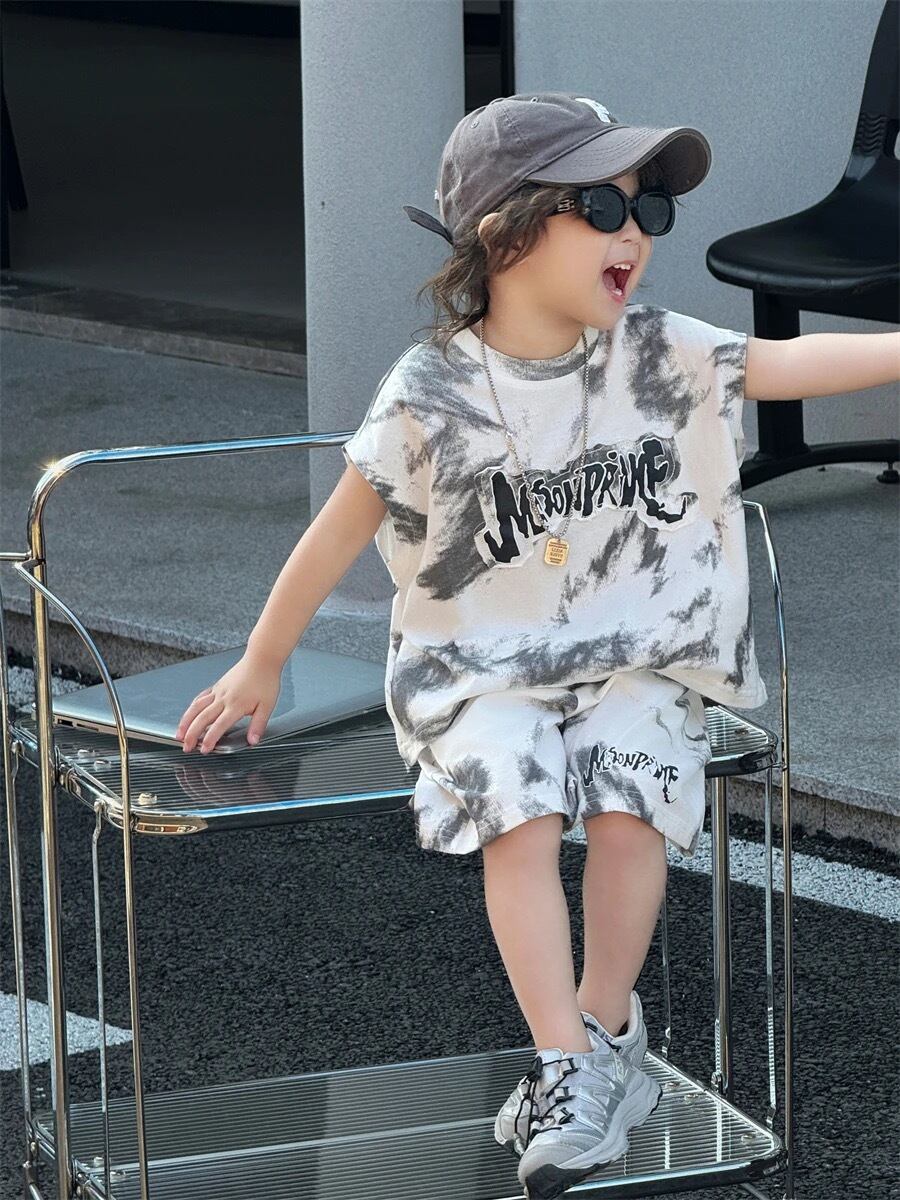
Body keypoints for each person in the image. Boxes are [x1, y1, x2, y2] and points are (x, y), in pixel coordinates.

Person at [176, 94, 900, 1200]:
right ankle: (571, 1061)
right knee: (518, 811)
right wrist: (262, 659)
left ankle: (597, 1045)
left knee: (629, 797)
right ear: (504, 233)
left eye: (650, 208)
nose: (636, 232)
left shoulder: (657, 349)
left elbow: (780, 364)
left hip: (631, 655)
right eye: (603, 207)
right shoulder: (434, 388)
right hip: (484, 668)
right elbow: (339, 531)